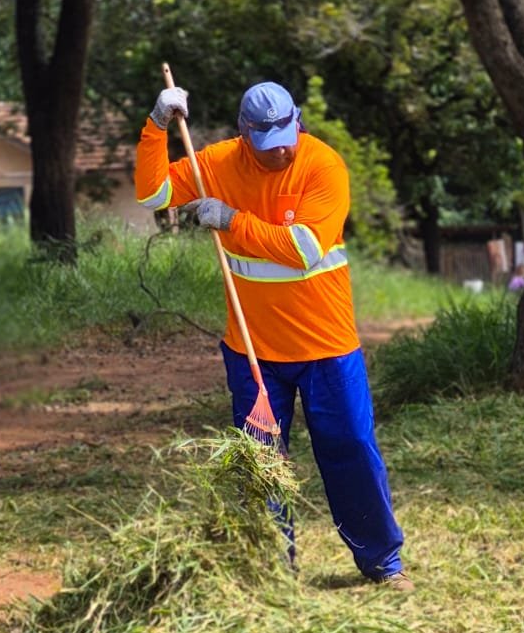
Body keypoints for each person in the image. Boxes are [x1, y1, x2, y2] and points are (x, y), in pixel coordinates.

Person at [135, 78, 410, 590]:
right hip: (252, 349)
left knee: (351, 447)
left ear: (298, 121)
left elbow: (303, 249)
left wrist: (232, 220)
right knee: (259, 462)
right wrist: (156, 127)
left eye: (287, 135)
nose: (281, 149)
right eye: (267, 142)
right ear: (244, 134)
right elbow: (152, 193)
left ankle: (382, 563)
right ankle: (271, 570)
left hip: (327, 345)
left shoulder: (322, 165)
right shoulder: (215, 162)